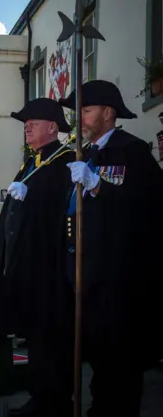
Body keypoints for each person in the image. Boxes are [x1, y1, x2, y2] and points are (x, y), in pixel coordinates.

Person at [59, 80, 163, 417]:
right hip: (87, 275)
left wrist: (99, 186)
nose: (80, 119)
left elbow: (148, 204)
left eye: (86, 111)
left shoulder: (131, 151)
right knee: (97, 359)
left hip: (120, 277)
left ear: (108, 113)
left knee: (120, 362)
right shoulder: (84, 154)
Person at [0, 97, 75, 417]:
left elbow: (58, 213)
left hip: (48, 269)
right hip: (25, 267)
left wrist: (30, 198)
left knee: (51, 340)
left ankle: (55, 402)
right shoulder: (34, 162)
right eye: (25, 125)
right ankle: (40, 397)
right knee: (35, 339)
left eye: (33, 124)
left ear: (53, 127)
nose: (27, 129)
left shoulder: (64, 161)